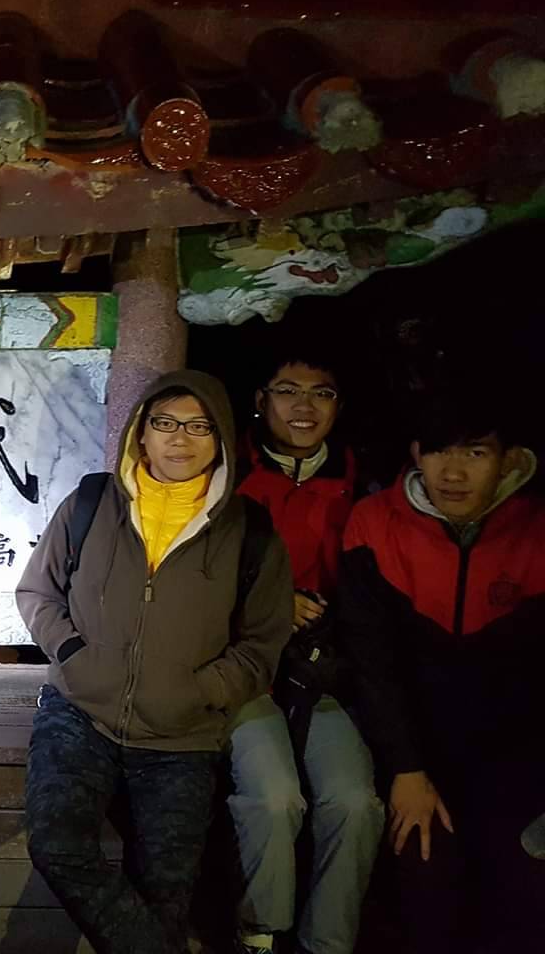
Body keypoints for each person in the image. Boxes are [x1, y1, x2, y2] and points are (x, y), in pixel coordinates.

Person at [17, 369, 293, 954]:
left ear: (221, 438)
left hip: (182, 735)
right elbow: (38, 592)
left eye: (199, 426)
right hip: (80, 713)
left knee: (166, 892)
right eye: (164, 422)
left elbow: (261, 644)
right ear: (140, 432)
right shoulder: (92, 503)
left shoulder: (251, 531)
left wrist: (199, 692)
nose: (179, 438)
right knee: (57, 843)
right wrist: (73, 655)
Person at [338, 394, 545, 954]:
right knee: (424, 881)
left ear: (509, 459)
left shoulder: (535, 529)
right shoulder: (375, 523)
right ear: (415, 454)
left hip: (515, 757)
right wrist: (406, 768)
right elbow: (371, 660)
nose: (452, 472)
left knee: (520, 889)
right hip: (416, 753)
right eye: (437, 452)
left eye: (475, 453)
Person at [227, 347, 385, 954]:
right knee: (275, 799)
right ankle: (260, 934)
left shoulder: (361, 486)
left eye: (321, 393)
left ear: (338, 406)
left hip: (324, 676)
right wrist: (274, 602)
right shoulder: (224, 474)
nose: (304, 405)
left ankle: (328, 943)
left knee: (356, 803)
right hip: (245, 675)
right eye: (288, 390)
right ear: (260, 400)